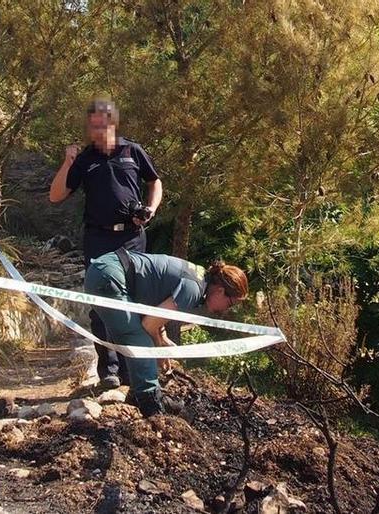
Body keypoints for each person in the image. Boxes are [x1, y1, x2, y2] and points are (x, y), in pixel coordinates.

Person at [49, 97, 163, 390]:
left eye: (102, 125)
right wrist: (68, 161)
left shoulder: (133, 151)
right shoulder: (85, 158)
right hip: (98, 238)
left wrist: (150, 209)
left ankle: (132, 370)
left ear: (113, 123)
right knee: (100, 303)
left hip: (132, 238)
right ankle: (108, 370)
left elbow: (155, 181)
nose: (97, 130)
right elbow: (56, 195)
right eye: (93, 126)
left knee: (134, 301)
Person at [83, 249, 249, 417]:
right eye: (230, 304)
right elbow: (148, 325)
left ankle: (137, 395)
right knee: (139, 341)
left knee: (141, 339)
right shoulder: (193, 289)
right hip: (108, 276)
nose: (226, 310)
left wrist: (162, 339)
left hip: (109, 270)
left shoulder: (199, 281)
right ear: (220, 291)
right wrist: (158, 350)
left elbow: (156, 309)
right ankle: (152, 406)